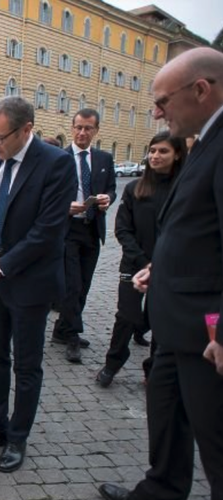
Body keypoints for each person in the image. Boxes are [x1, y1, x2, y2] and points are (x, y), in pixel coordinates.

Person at [98, 47, 223, 500]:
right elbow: (196, 230)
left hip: (207, 329)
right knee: (166, 413)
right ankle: (163, 495)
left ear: (202, 90)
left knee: (216, 441)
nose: (157, 113)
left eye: (162, 101)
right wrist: (159, 270)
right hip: (174, 320)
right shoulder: (203, 144)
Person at [0, 96, 75, 472]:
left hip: (28, 284)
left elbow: (47, 232)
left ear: (26, 130)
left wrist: (1, 264)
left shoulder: (56, 164)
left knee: (27, 366)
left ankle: (17, 437)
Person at [96, 132, 186, 388]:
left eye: (163, 151)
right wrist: (143, 261)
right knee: (126, 316)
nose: (155, 156)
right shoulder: (135, 188)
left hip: (170, 267)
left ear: (177, 154)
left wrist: (160, 263)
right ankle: (112, 364)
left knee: (160, 320)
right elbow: (123, 229)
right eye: (153, 150)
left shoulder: (185, 188)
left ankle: (154, 369)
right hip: (134, 265)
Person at [51, 109, 117, 363]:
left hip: (92, 228)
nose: (82, 132)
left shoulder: (103, 159)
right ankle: (73, 336)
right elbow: (48, 194)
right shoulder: (59, 158)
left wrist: (108, 198)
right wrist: (65, 206)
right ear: (72, 127)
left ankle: (61, 329)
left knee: (84, 286)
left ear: (96, 131)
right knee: (72, 285)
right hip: (67, 230)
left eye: (88, 128)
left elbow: (111, 187)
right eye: (78, 127)